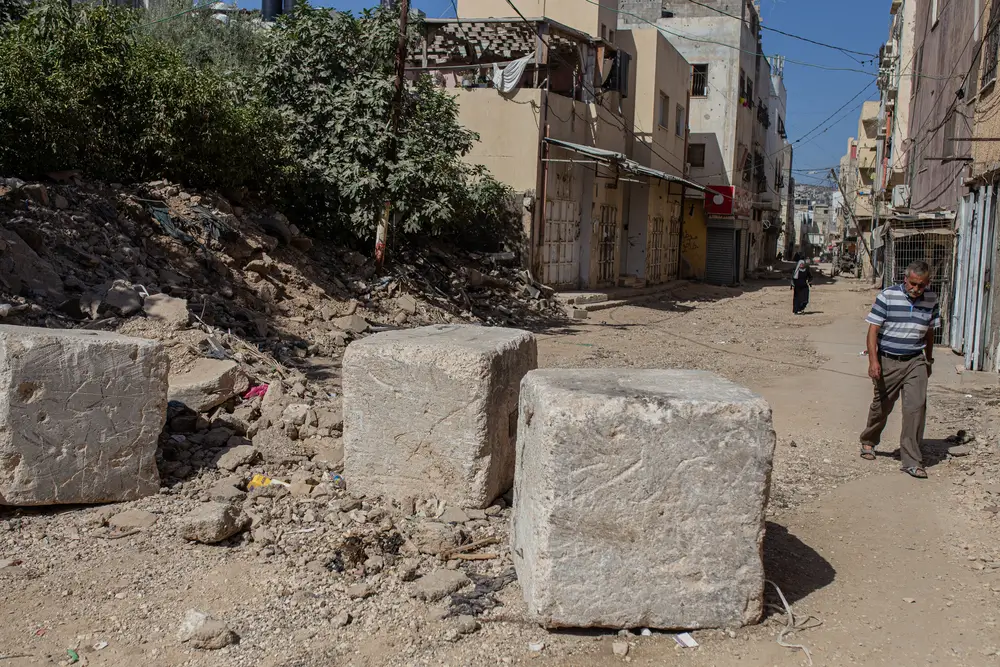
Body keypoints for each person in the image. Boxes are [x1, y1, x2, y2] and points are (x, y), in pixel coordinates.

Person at [859, 261, 940, 479]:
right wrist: (873, 362)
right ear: (905, 279)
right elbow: (873, 330)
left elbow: (930, 332)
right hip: (888, 360)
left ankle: (911, 460)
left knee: (916, 408)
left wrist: (929, 359)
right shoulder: (888, 296)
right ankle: (869, 439)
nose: (916, 289)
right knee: (882, 406)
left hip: (916, 360)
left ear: (927, 283)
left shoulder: (932, 299)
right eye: (913, 284)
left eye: (921, 285)